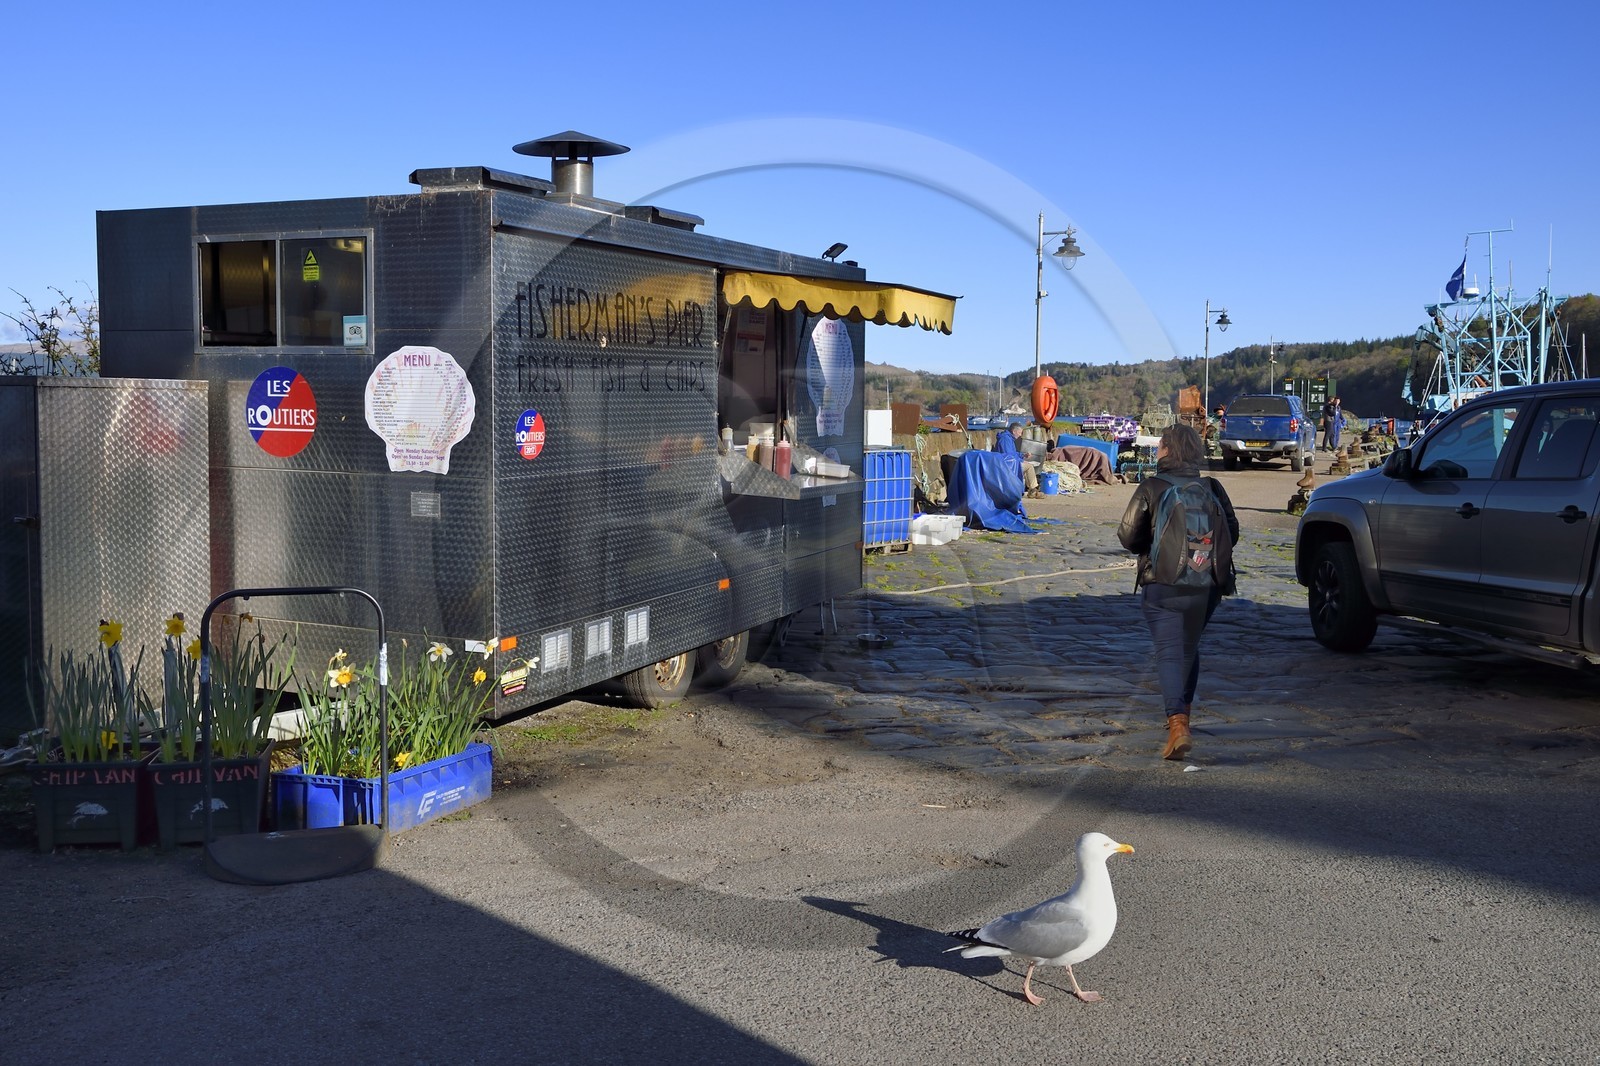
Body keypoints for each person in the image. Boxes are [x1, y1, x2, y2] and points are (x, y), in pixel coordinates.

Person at [1116, 423, 1240, 761]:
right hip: (1207, 586)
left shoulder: (1153, 486)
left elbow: (1127, 535)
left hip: (1164, 583)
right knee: (1187, 648)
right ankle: (1183, 718)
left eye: (1159, 446)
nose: (1156, 451)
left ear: (1168, 450)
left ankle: (1177, 726)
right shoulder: (1212, 486)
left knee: (1169, 652)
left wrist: (1154, 547)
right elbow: (1232, 532)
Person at [994, 421, 1042, 496]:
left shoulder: (1009, 438)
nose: (1020, 435)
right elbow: (1008, 456)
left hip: (1009, 462)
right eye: (1020, 433)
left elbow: (1012, 453)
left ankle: (1031, 489)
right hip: (1005, 464)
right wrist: (1021, 461)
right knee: (1029, 467)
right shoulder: (1005, 439)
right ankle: (1033, 490)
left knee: (1027, 466)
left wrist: (1023, 455)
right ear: (1014, 431)